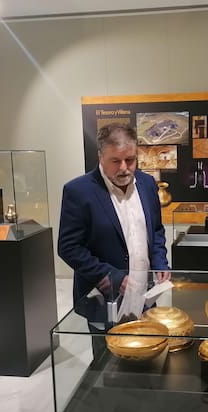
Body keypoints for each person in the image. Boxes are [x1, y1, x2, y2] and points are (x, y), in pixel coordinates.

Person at [58, 122, 170, 308]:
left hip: (145, 295)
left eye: (130, 160)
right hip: (103, 299)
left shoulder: (147, 184)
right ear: (101, 157)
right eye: (116, 161)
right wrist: (113, 277)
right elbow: (68, 248)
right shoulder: (78, 191)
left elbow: (156, 230)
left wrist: (160, 262)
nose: (124, 168)